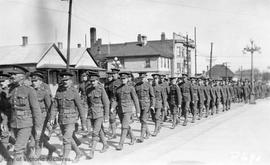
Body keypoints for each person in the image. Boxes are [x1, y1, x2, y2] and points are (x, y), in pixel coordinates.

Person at [49, 71, 86, 164]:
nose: (65, 82)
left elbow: (80, 107)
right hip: (61, 118)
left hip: (71, 118)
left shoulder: (74, 91)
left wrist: (83, 122)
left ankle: (64, 161)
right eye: (63, 80)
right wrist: (52, 117)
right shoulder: (59, 90)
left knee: (66, 139)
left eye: (67, 80)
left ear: (71, 80)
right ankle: (78, 153)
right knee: (68, 138)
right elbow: (55, 106)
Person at [8, 69, 42, 164]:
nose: (12, 76)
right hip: (14, 123)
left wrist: (38, 128)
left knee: (18, 149)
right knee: (24, 147)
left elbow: (36, 110)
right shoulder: (12, 89)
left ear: (21, 77)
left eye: (15, 74)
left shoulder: (29, 90)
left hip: (26, 123)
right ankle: (35, 162)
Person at [30, 72, 58, 159]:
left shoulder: (45, 92)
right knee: (32, 135)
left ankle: (37, 155)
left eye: (36, 81)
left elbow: (50, 107)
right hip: (31, 116)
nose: (33, 82)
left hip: (42, 116)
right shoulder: (30, 91)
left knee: (38, 137)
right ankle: (51, 148)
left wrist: (51, 120)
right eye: (33, 81)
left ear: (40, 81)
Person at [111, 72, 140, 150]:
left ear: (127, 79)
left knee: (124, 127)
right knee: (125, 125)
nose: (123, 80)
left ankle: (121, 144)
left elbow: (135, 99)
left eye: (124, 79)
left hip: (128, 109)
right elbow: (115, 99)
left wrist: (138, 111)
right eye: (121, 79)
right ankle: (133, 137)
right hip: (120, 110)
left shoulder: (131, 88)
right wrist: (112, 107)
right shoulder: (118, 89)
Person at [86, 73, 110, 159]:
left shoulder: (101, 89)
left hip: (99, 113)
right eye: (91, 81)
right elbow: (88, 102)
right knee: (99, 130)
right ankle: (105, 144)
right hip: (91, 113)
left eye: (94, 81)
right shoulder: (88, 89)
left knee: (95, 132)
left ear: (97, 81)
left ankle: (91, 152)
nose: (92, 83)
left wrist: (106, 116)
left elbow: (106, 103)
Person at [135, 72, 155, 143]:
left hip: (146, 104)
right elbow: (135, 96)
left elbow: (152, 96)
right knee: (141, 120)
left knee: (143, 119)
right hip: (139, 104)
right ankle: (148, 132)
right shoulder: (136, 85)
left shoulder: (148, 85)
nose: (142, 79)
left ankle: (141, 137)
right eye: (140, 78)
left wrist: (152, 105)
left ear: (145, 77)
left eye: (143, 78)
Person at [0, 73, 13, 164]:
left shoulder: (3, 95)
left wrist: (4, 123)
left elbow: (7, 110)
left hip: (3, 121)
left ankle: (8, 159)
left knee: (5, 137)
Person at [107, 68, 122, 139]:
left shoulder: (121, 82)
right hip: (112, 102)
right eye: (112, 74)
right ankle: (114, 133)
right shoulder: (110, 83)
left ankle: (129, 133)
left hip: (120, 103)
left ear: (118, 74)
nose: (113, 75)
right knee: (112, 118)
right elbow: (108, 94)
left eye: (115, 74)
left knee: (123, 120)